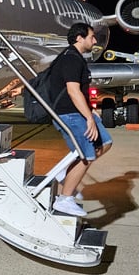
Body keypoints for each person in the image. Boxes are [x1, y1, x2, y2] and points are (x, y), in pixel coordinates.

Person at [47, 22, 113, 217]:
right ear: (79, 38)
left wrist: (91, 111)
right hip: (68, 114)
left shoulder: (77, 58)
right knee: (86, 157)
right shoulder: (71, 59)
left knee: (106, 143)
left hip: (78, 112)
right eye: (91, 37)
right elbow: (73, 91)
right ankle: (64, 199)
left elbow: (81, 93)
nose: (95, 40)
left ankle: (65, 174)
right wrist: (88, 118)